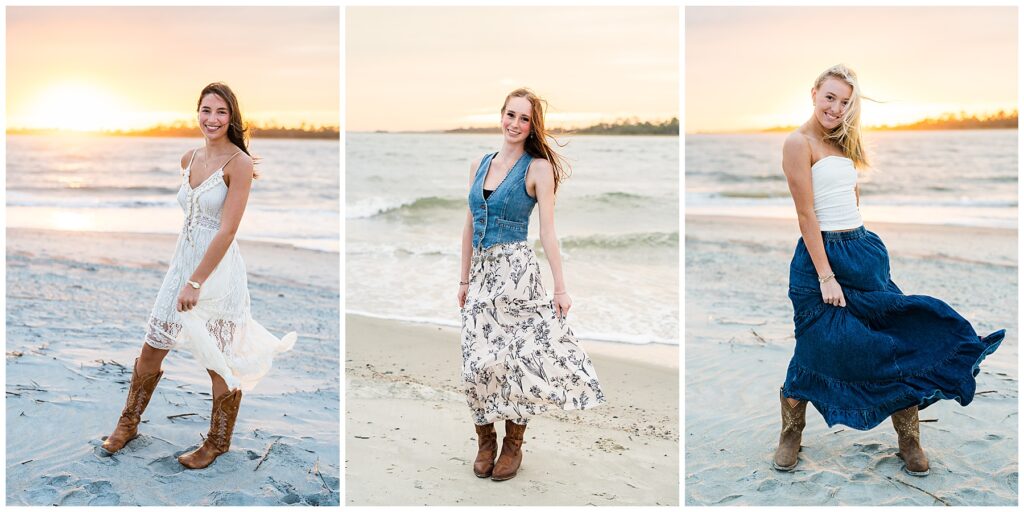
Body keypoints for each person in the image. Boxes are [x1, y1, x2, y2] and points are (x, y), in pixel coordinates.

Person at [773, 64, 1004, 476]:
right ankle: (791, 431)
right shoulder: (798, 143)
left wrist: (860, 248)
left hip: (860, 251)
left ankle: (908, 438)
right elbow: (806, 215)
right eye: (830, 97)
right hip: (817, 259)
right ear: (813, 94)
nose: (836, 108)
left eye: (845, 102)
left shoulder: (845, 143)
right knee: (816, 345)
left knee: (892, 340)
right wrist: (826, 275)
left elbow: (851, 198)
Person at [100, 82, 297, 469]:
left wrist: (197, 281)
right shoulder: (187, 157)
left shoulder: (238, 163)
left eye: (221, 112)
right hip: (181, 265)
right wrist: (184, 276)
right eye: (206, 110)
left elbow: (227, 230)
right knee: (152, 347)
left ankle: (217, 442)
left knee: (216, 357)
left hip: (216, 272)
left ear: (232, 117)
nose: (212, 119)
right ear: (198, 113)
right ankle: (128, 424)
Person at [457, 88, 605, 481]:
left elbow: (548, 233)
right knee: (475, 364)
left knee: (517, 362)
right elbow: (470, 224)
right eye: (510, 115)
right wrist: (463, 278)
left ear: (532, 125)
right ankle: (484, 441)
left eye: (524, 119)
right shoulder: (479, 163)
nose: (515, 124)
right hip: (481, 277)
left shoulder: (538, 168)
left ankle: (513, 446)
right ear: (500, 116)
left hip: (518, 276)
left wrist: (560, 288)